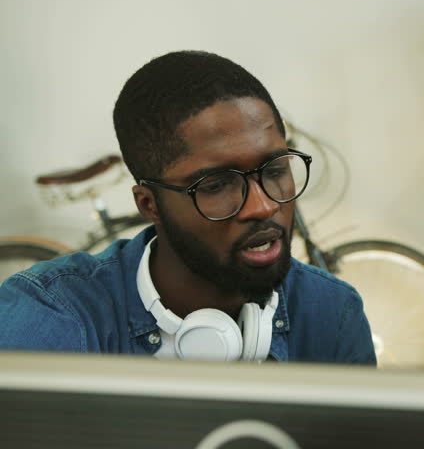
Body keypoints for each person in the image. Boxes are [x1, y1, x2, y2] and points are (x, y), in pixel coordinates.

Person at [0, 50, 376, 365]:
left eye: (275, 170)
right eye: (216, 185)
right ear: (150, 205)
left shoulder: (333, 314)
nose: (262, 206)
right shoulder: (51, 319)